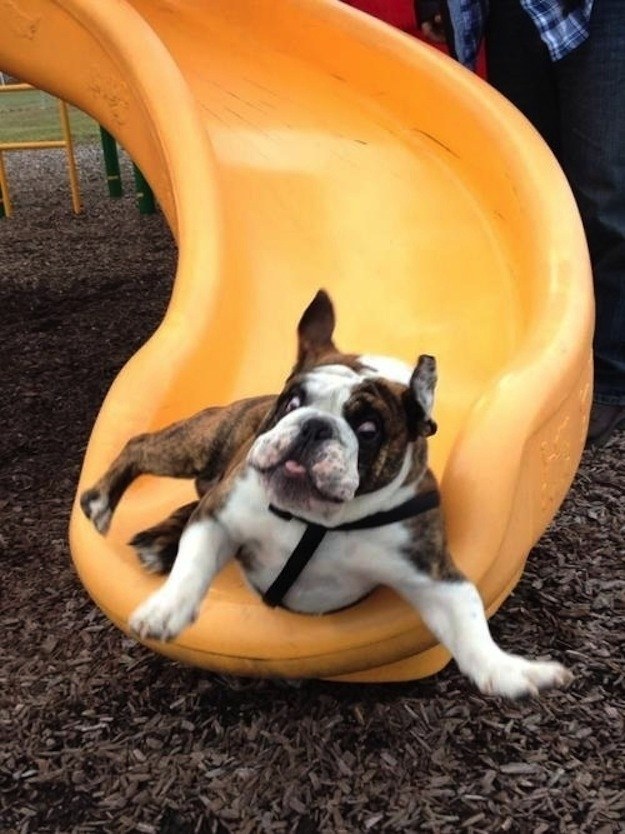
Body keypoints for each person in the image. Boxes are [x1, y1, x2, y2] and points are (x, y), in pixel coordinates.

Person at [418, 0, 625, 446]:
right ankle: (540, 366)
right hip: (514, 9)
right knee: (528, 187)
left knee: (602, 192)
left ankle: (610, 375)